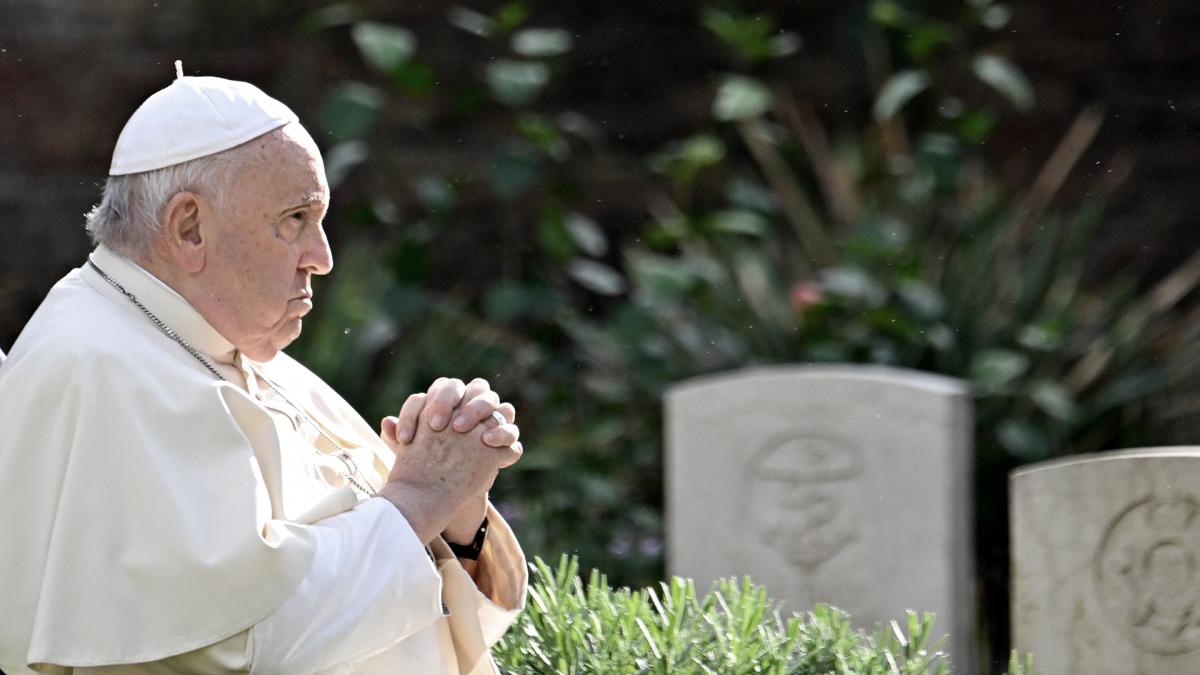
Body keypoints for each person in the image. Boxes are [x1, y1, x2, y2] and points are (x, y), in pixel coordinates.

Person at [0, 66, 527, 674]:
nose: (322, 258)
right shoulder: (103, 370)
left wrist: (456, 524)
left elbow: (393, 618)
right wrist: (418, 497)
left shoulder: (219, 341)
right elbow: (237, 646)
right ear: (189, 229)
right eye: (295, 219)